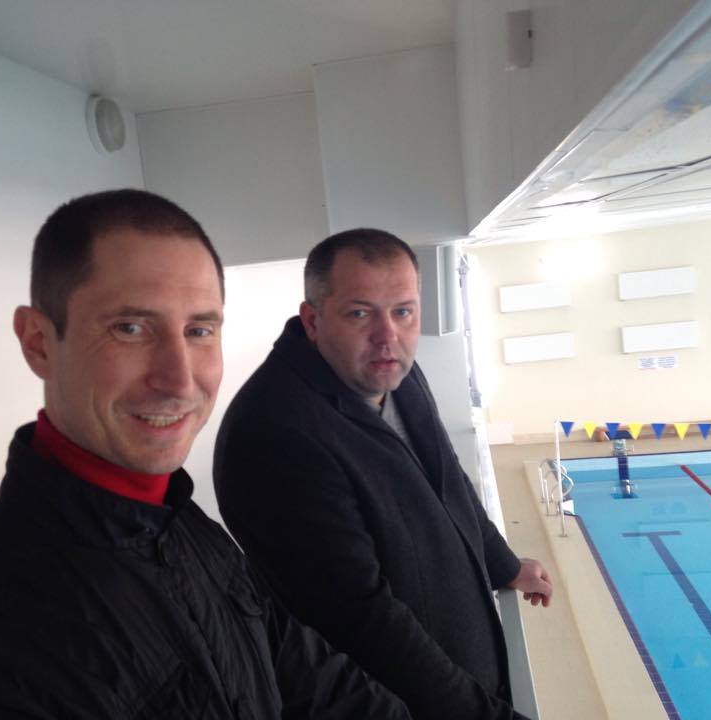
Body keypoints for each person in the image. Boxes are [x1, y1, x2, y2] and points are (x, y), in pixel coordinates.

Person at [0, 192, 410, 719]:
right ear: (38, 342)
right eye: (130, 329)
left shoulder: (181, 524)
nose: (179, 379)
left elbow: (316, 680)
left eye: (199, 330)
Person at [214, 228, 553, 720]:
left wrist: (504, 565)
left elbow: (448, 478)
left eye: (403, 312)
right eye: (360, 313)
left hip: (463, 678)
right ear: (312, 320)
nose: (387, 335)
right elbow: (363, 620)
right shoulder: (276, 433)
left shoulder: (395, 373)